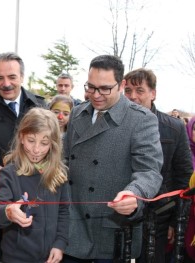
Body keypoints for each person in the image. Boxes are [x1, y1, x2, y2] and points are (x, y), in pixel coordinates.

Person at [63, 55, 163, 262]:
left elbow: (149, 171)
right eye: (91, 87)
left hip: (111, 229)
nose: (96, 95)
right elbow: (63, 160)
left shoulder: (141, 120)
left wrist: (134, 194)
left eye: (104, 88)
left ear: (121, 85)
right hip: (72, 226)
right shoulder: (77, 113)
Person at [0, 52, 46, 263]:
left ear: (22, 77)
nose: (6, 83)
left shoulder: (40, 107)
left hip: (33, 198)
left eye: (12, 77)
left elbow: (51, 148)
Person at [124, 68, 193, 263]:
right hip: (122, 216)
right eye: (128, 91)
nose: (133, 97)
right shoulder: (115, 125)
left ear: (153, 93)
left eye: (139, 90)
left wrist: (175, 222)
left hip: (159, 218)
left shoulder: (174, 128)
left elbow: (183, 178)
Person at [0, 107, 70, 263]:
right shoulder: (10, 173)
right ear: (21, 137)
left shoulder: (59, 174)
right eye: (31, 140)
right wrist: (7, 211)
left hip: (49, 257)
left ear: (53, 144)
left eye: (44, 143)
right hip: (16, 258)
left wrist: (60, 244)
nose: (36, 149)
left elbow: (64, 211)